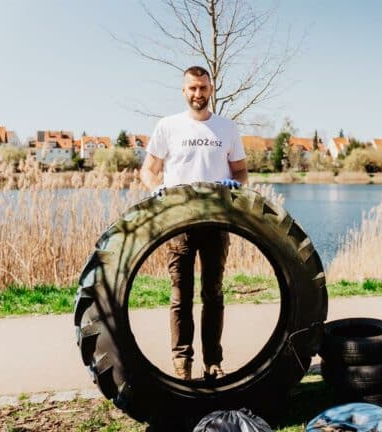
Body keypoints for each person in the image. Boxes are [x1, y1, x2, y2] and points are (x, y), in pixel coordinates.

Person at [140, 65, 248, 381]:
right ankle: (182, 363)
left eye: (203, 87)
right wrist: (155, 188)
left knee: (213, 293)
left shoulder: (226, 128)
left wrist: (237, 186)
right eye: (192, 88)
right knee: (180, 295)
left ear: (211, 89)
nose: (198, 93)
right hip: (179, 222)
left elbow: (240, 171)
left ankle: (212, 362)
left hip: (216, 220)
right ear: (184, 90)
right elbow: (148, 170)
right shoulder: (168, 126)